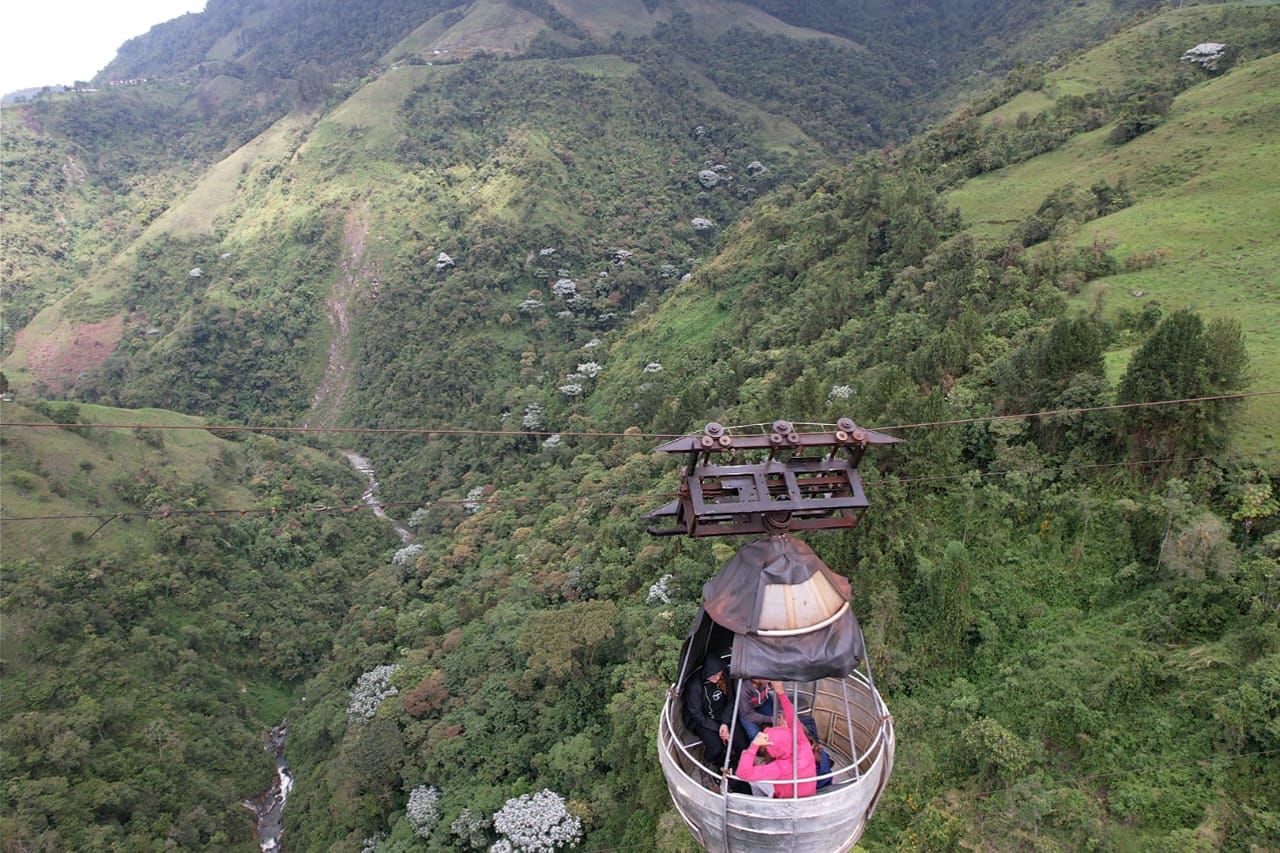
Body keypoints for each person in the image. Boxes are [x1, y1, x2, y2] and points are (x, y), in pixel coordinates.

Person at [733, 680, 816, 799]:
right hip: (808, 795)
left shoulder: (779, 767)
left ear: (774, 752)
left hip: (787, 801)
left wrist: (754, 746)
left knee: (753, 780)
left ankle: (762, 800)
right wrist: (781, 693)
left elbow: (742, 773)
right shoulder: (804, 745)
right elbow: (793, 719)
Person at [682, 655, 745, 771]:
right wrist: (719, 729)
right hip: (704, 720)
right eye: (713, 676)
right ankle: (711, 761)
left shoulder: (723, 676)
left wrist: (725, 723)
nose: (717, 678)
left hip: (723, 714)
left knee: (741, 742)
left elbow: (731, 700)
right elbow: (697, 716)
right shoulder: (694, 687)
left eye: (718, 674)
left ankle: (742, 765)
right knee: (716, 748)